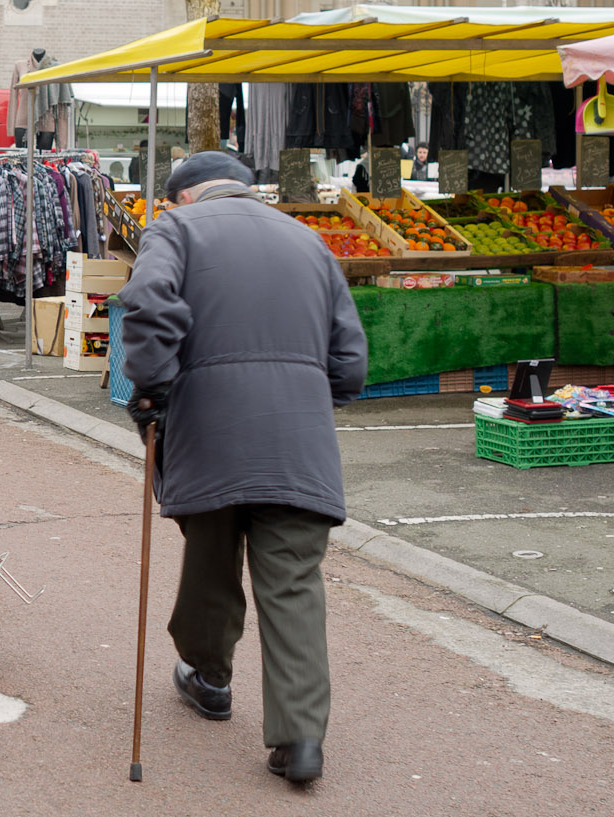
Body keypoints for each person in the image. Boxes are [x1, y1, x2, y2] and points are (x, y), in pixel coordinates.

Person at [119, 151, 367, 786]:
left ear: (183, 197)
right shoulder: (308, 240)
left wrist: (152, 387)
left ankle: (209, 677)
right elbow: (350, 361)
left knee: (210, 557)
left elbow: (147, 307)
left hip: (210, 431)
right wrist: (313, 395)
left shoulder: (173, 230)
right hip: (300, 441)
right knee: (293, 585)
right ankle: (300, 739)